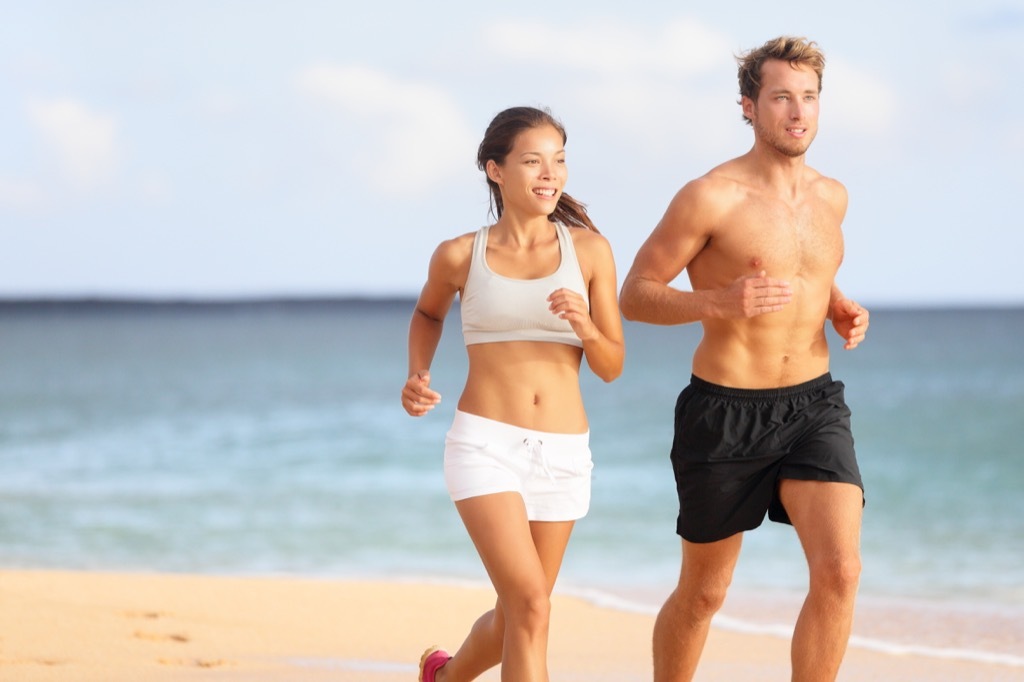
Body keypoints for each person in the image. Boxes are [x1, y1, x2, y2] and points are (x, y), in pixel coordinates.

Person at [618, 36, 870, 682]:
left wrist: (838, 304)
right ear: (749, 107)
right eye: (782, 97)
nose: (798, 112)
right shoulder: (711, 196)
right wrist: (719, 303)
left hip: (813, 404)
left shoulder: (833, 197)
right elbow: (635, 295)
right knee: (705, 594)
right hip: (725, 411)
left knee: (840, 571)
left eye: (809, 98)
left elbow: (809, 270)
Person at [402, 106, 624, 682]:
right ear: (495, 170)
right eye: (533, 161)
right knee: (531, 608)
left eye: (559, 160)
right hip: (485, 446)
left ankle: (444, 677)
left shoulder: (591, 253)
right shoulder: (459, 254)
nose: (550, 173)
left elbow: (611, 367)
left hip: (564, 452)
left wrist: (587, 328)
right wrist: (417, 374)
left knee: (515, 618)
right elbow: (428, 313)